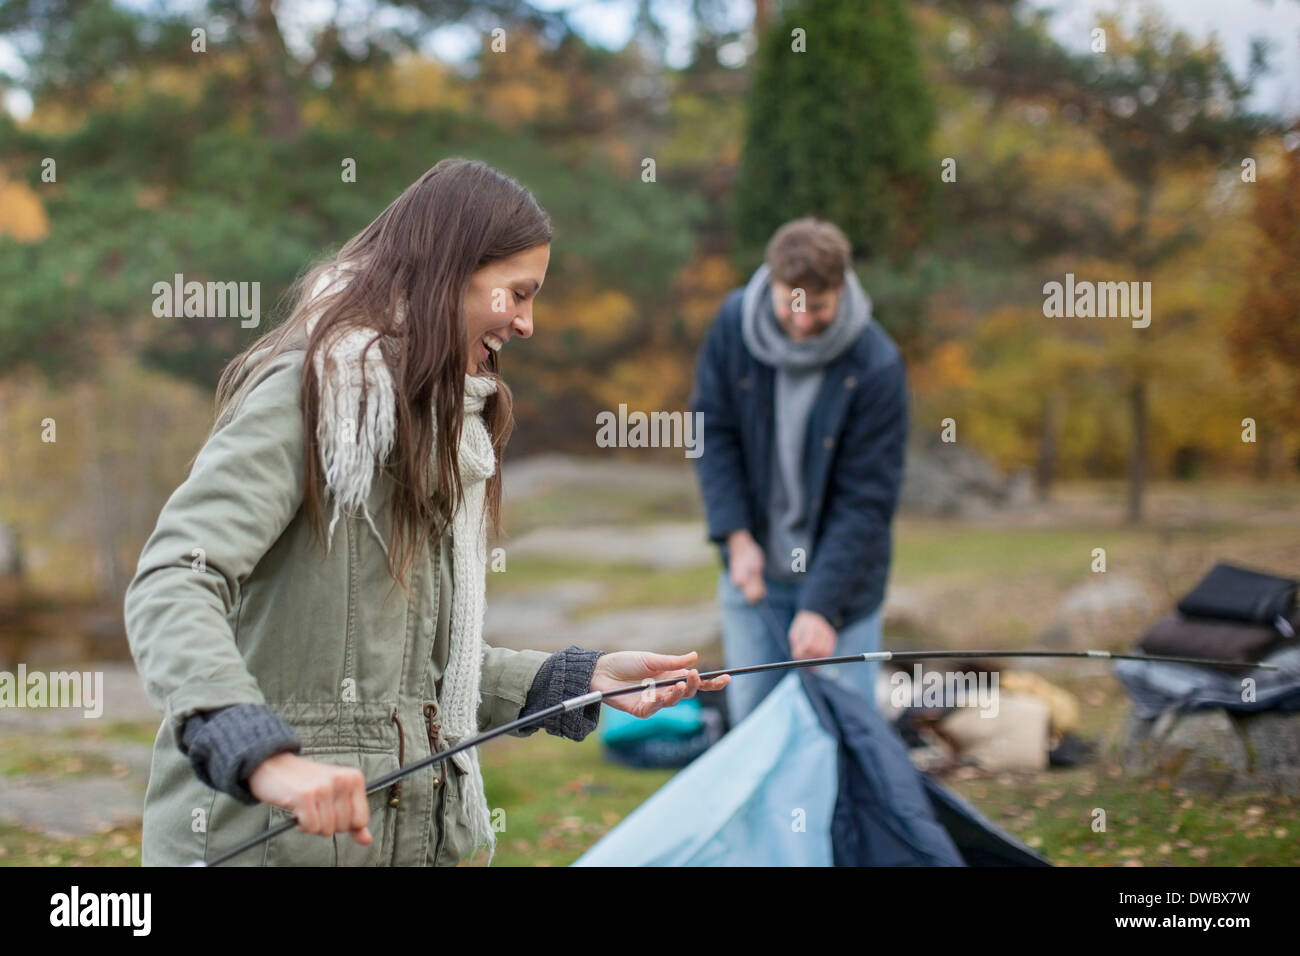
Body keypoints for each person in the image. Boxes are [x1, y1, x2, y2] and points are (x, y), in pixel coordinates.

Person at [123, 158, 729, 867]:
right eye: (518, 293)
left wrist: (574, 681)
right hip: (262, 846)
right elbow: (174, 577)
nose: (528, 324)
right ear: (450, 269)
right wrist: (257, 750)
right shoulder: (313, 395)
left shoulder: (439, 431)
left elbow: (421, 682)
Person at [688, 217, 907, 727]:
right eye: (794, 304)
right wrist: (736, 538)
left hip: (843, 591)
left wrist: (822, 607)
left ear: (842, 290)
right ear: (771, 282)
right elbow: (711, 431)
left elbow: (867, 501)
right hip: (755, 575)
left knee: (840, 737)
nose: (805, 321)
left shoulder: (876, 364)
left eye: (821, 307)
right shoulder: (733, 326)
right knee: (755, 733)